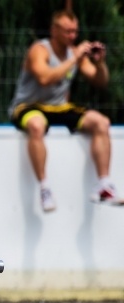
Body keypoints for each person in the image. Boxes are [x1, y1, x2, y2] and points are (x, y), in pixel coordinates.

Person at [9, 9, 123, 212]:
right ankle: (45, 188)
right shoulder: (40, 50)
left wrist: (100, 63)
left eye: (75, 32)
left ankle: (104, 185)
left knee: (101, 122)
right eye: (67, 31)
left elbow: (100, 81)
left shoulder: (75, 53)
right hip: (29, 106)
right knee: (37, 125)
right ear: (54, 30)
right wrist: (74, 58)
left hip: (60, 107)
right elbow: (44, 78)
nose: (72, 36)